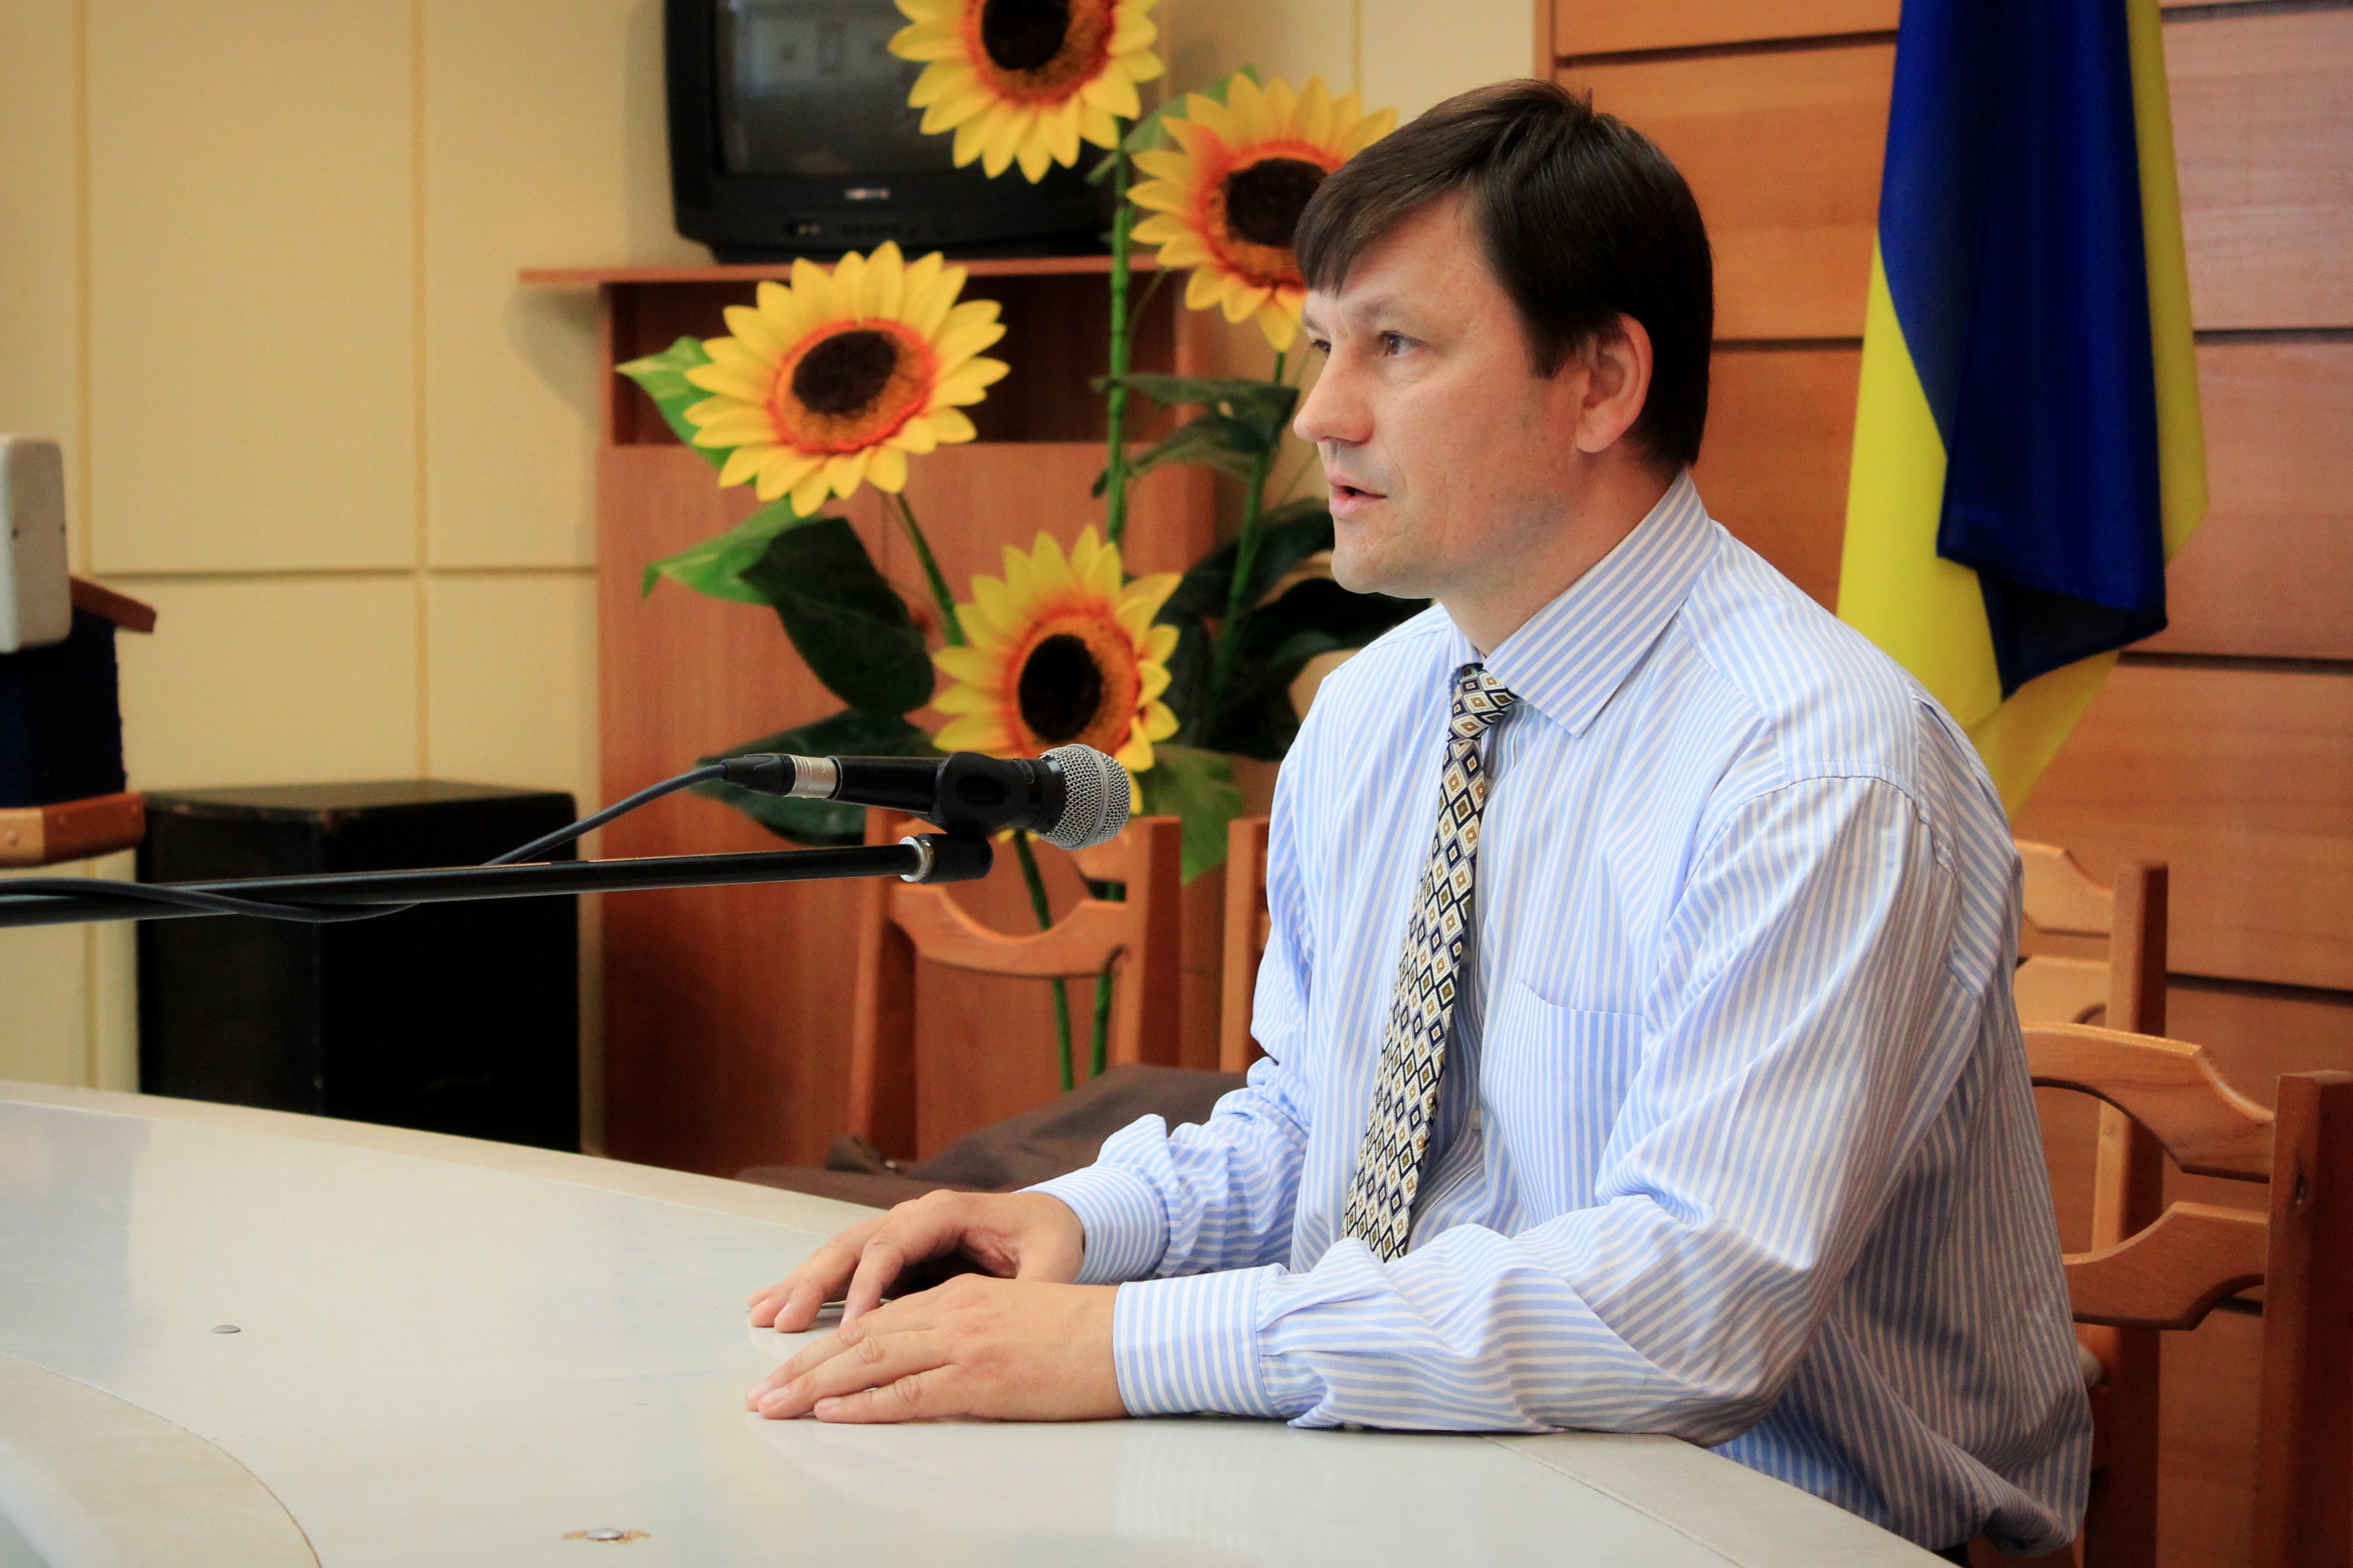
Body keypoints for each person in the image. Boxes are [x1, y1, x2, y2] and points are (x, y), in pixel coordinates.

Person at [743, 79, 2090, 1560]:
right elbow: (1319, 1129)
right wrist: (1084, 1225)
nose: (1322, 413)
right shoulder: (1381, 709)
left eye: (1396, 346)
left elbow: (1692, 1312)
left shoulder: (1811, 769)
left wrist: (1123, 1343)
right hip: (1423, 1484)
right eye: (1325, 346)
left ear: (1600, 384)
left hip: (1776, 1523)